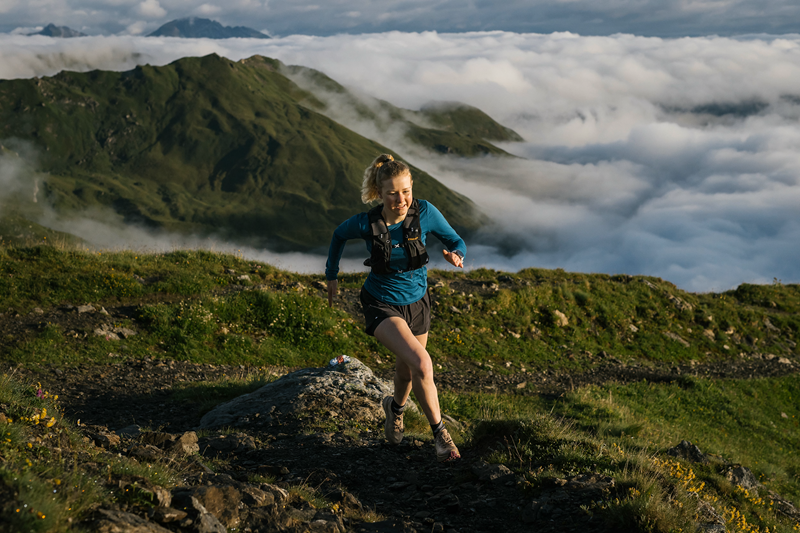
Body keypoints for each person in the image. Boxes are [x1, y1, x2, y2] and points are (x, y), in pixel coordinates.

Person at [325, 154, 466, 462]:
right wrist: (331, 275)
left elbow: (457, 240)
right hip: (381, 302)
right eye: (392, 193)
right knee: (423, 363)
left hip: (417, 302)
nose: (400, 199)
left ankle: (395, 409)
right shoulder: (366, 222)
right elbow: (338, 235)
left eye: (406, 191)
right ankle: (441, 436)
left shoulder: (425, 212)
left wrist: (456, 254)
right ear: (379, 191)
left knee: (407, 369)